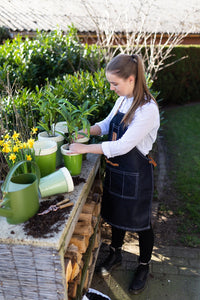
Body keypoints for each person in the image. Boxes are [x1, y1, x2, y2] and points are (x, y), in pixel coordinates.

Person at [69, 53, 160, 294]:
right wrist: (86, 131)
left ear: (131, 79)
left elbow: (122, 146)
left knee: (141, 223)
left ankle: (143, 265)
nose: (111, 88)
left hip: (137, 175)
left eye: (114, 83)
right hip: (119, 171)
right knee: (118, 214)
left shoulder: (147, 109)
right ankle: (116, 253)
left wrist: (85, 148)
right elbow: (108, 123)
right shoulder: (123, 99)